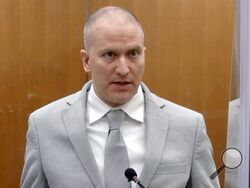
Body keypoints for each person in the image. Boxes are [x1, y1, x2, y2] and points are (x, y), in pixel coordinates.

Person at [20, 6, 220, 188]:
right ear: (87, 60)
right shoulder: (44, 126)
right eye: (109, 55)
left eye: (133, 53)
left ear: (144, 54)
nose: (123, 69)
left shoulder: (188, 126)